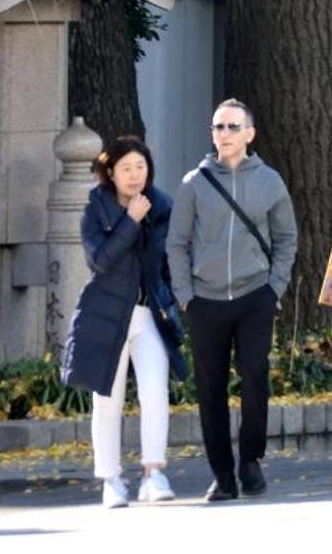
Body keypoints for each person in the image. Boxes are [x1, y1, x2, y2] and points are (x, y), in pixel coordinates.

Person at [169, 97, 298, 502]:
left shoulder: (270, 181)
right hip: (205, 300)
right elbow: (177, 243)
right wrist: (185, 296)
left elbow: (286, 238)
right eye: (217, 127)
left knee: (255, 375)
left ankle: (251, 460)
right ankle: (222, 474)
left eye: (231, 127)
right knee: (210, 389)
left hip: (253, 295)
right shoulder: (194, 183)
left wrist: (274, 286)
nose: (223, 134)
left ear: (249, 134)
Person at [63, 135, 187, 509]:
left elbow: (167, 261)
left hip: (149, 314)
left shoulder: (161, 207)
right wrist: (130, 223)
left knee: (154, 394)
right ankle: (111, 478)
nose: (135, 176)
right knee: (107, 399)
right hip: (107, 313)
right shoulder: (95, 209)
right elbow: (100, 261)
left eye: (141, 167)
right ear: (110, 173)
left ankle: (154, 472)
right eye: (127, 168)